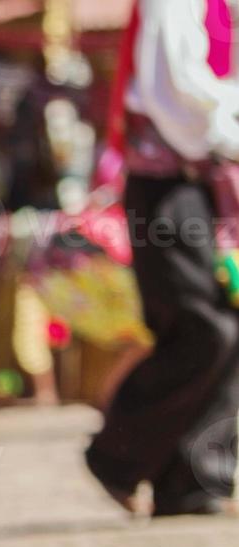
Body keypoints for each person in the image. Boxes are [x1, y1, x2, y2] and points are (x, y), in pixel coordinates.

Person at [86, 0, 239, 517]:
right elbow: (174, 93)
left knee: (229, 324)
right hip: (165, 185)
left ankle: (194, 478)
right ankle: (117, 455)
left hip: (203, 183)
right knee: (200, 328)